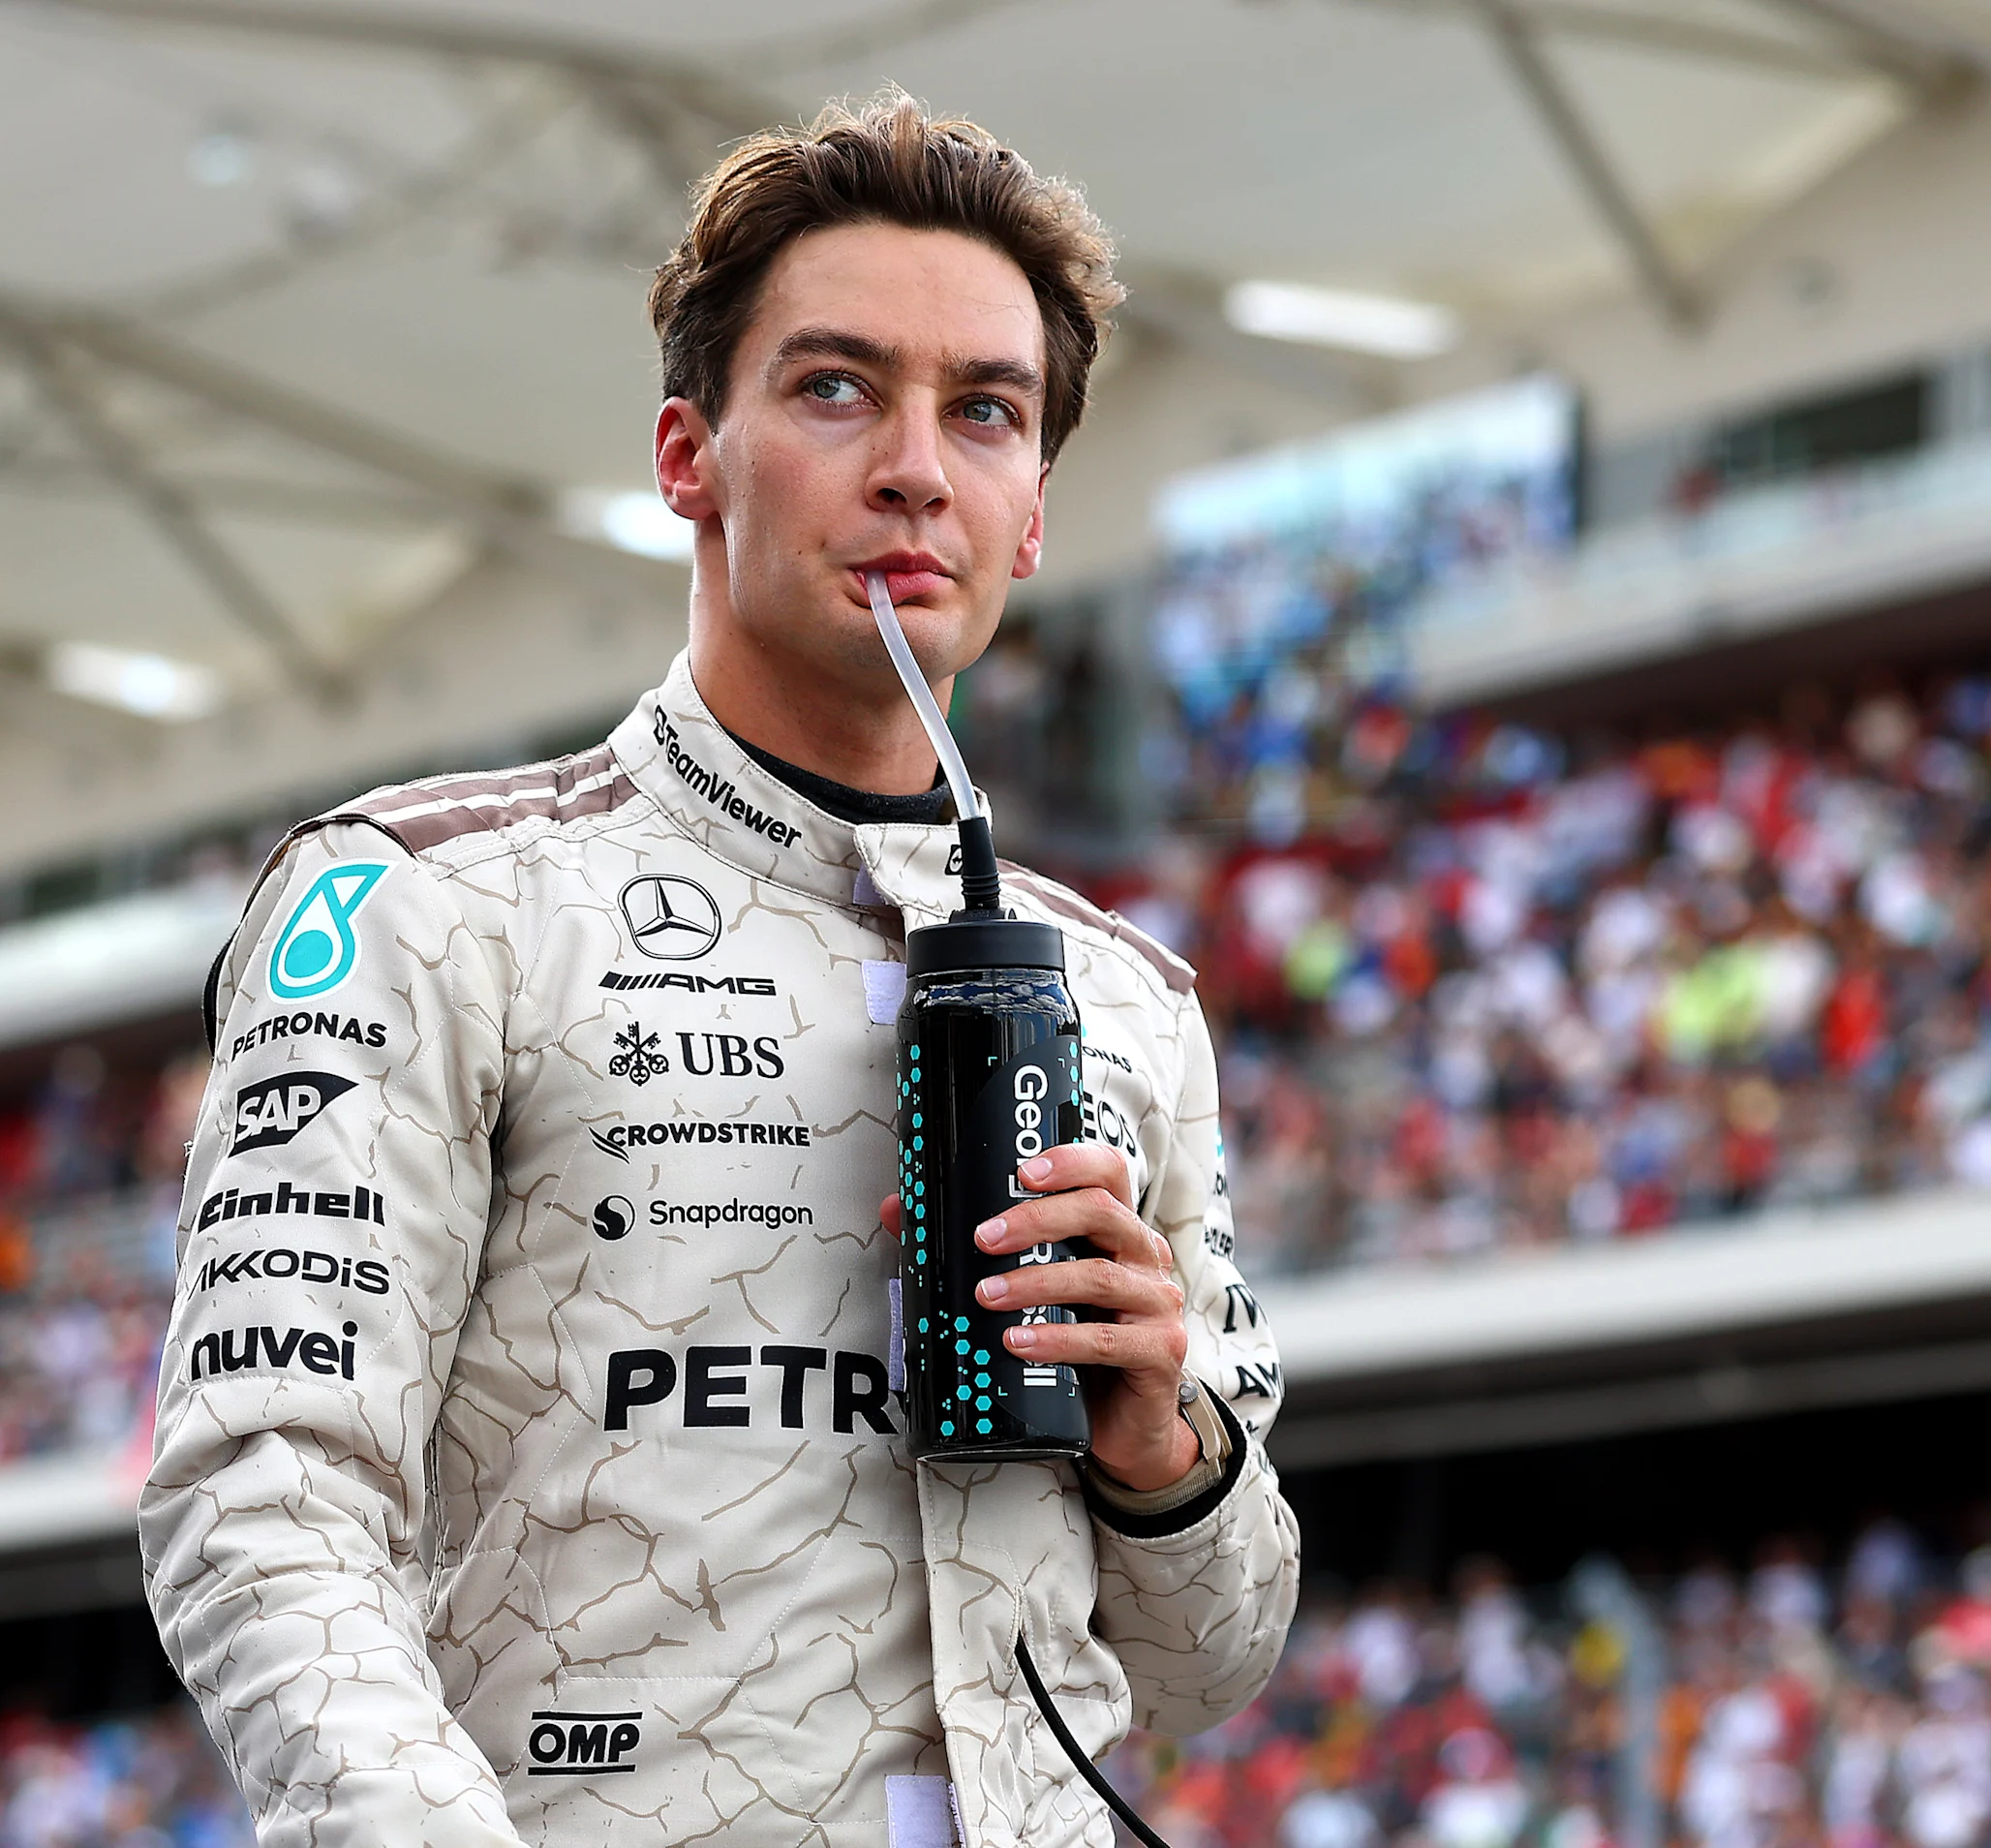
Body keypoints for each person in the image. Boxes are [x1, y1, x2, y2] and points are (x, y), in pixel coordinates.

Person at [141, 90, 1299, 1848]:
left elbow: (1213, 1663)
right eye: (836, 389)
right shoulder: (425, 900)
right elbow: (265, 1497)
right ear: (690, 454)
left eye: (982, 412)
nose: (916, 464)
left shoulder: (1130, 998)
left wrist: (1166, 1456)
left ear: (1035, 509)